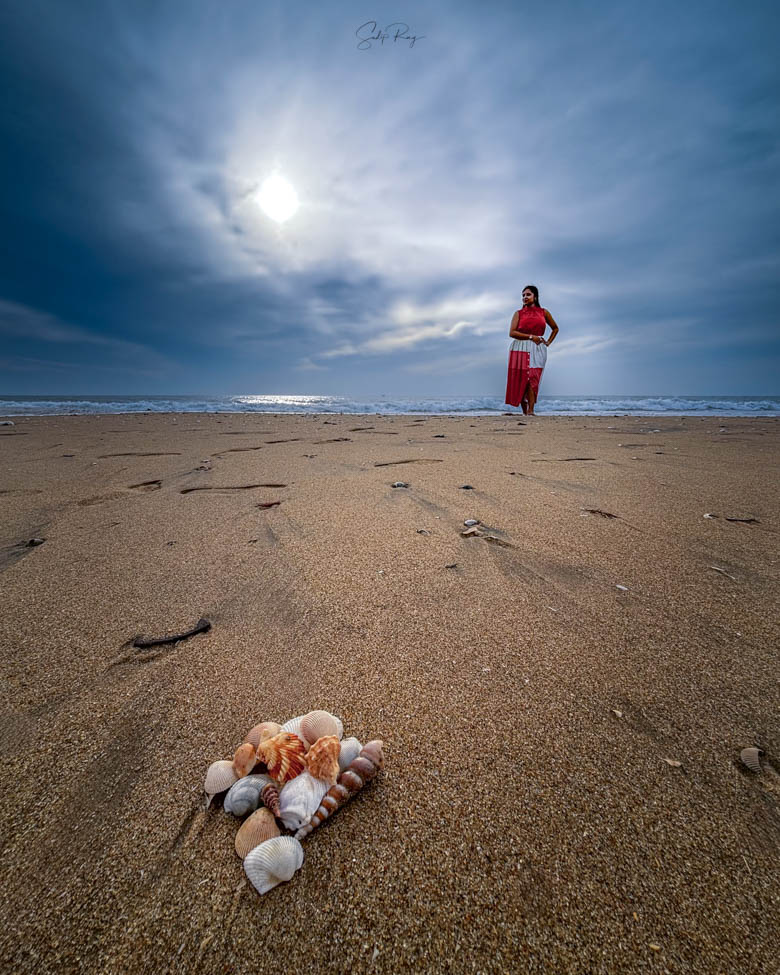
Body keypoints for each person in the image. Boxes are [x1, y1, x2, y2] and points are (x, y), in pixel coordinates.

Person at [505, 285, 559, 415]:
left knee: (533, 378)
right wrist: (531, 336)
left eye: (528, 294)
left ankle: (531, 410)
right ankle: (526, 412)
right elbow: (512, 333)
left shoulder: (543, 312)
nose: (525, 297)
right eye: (523, 295)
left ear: (535, 296)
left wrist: (548, 342)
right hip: (520, 347)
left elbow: (555, 328)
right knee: (521, 378)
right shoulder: (518, 313)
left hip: (538, 348)